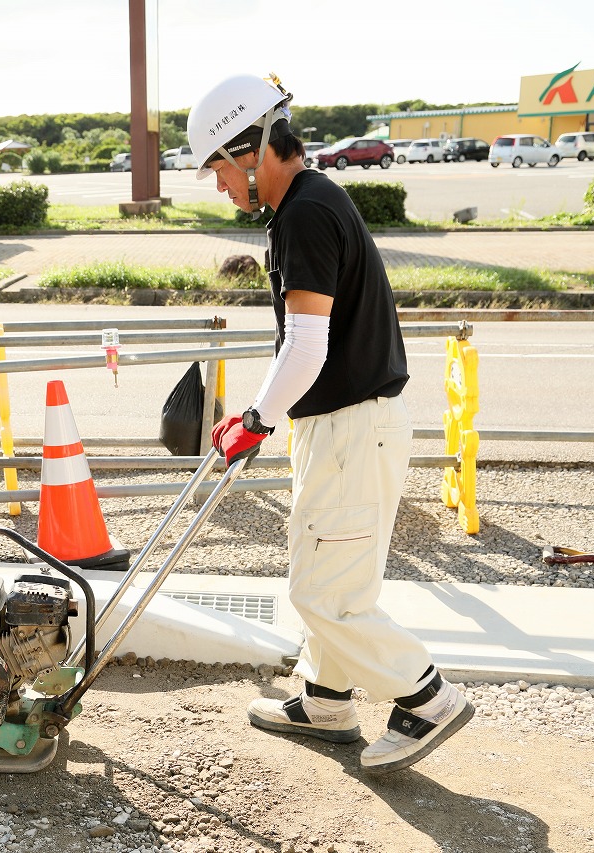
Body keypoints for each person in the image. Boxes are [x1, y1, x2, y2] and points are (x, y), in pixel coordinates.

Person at [188, 73, 473, 775]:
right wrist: (263, 416)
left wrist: (257, 417)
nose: (219, 185)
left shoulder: (304, 215)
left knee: (323, 590)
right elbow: (308, 347)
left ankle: (427, 696)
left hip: (352, 426)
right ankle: (325, 697)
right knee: (327, 570)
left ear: (251, 147)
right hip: (345, 425)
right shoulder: (308, 204)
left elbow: (305, 345)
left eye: (220, 167)